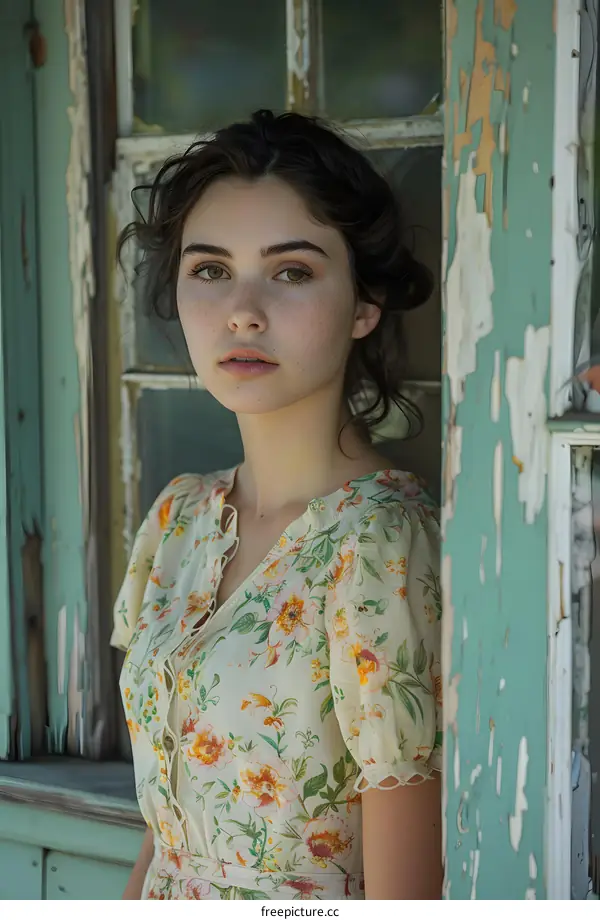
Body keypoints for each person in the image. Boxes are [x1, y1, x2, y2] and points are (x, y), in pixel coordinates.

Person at [112, 109, 443, 901]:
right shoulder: (177, 520)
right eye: (210, 269)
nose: (243, 310)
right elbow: (165, 835)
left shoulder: (380, 544)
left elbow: (410, 893)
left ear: (363, 307)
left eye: (291, 271)